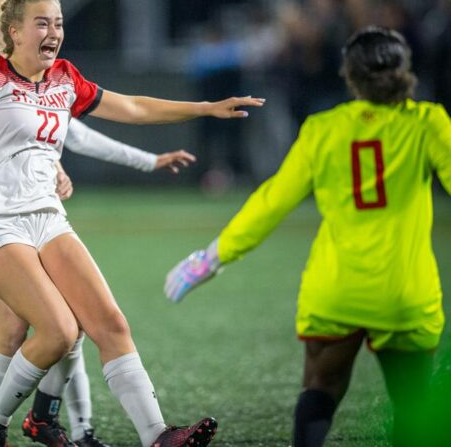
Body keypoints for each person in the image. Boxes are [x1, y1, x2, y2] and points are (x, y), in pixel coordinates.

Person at [0, 0, 264, 446]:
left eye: (58, 23)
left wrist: (205, 107)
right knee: (56, 331)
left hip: (48, 217)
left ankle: (157, 436)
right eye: (41, 24)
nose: (52, 32)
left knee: (110, 324)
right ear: (14, 32)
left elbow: (132, 107)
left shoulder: (64, 78)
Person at [164, 26, 451, 447]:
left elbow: (272, 202)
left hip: (336, 289)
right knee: (412, 407)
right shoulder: (429, 123)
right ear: (404, 71)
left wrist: (212, 257)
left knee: (319, 389)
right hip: (405, 291)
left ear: (349, 76)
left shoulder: (324, 128)